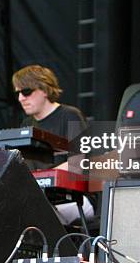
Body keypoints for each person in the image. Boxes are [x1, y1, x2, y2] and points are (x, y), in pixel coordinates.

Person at [12, 64, 93, 225]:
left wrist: (44, 177)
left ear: (44, 89)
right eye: (18, 93)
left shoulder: (71, 115)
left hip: (76, 198)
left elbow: (78, 162)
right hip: (42, 198)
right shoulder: (26, 125)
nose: (21, 98)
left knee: (32, 212)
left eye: (26, 91)